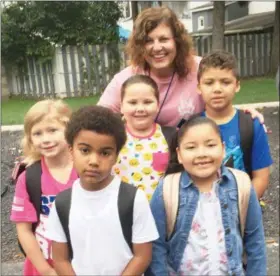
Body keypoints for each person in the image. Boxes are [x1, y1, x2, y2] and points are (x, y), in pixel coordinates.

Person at [98, 6, 264, 127]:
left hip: (193, 158)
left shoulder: (201, 68)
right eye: (148, 41)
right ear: (140, 46)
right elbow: (98, 119)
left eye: (163, 39)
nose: (157, 48)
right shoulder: (127, 78)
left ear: (177, 41)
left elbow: (220, 99)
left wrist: (244, 116)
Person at [45, 106, 159, 275]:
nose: (93, 161)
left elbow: (142, 256)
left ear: (116, 156)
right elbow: (60, 259)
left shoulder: (133, 199)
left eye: (105, 153)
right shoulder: (62, 203)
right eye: (85, 150)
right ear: (71, 151)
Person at [147, 115, 266, 276]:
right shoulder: (167, 188)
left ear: (223, 149)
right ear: (179, 154)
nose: (201, 153)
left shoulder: (241, 183)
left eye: (210, 145)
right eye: (191, 147)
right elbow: (156, 246)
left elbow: (255, 241)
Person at [10, 100, 78, 276]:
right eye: (37, 133)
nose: (46, 139)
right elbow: (24, 231)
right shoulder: (29, 178)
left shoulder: (86, 171)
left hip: (84, 263)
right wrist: (46, 270)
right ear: (30, 139)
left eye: (53, 130)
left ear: (69, 131)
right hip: (46, 265)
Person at [196, 50, 273, 199]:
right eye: (209, 83)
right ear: (199, 87)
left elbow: (261, 178)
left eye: (225, 82)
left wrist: (241, 209)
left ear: (237, 85)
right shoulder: (191, 128)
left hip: (242, 210)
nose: (217, 89)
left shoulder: (251, 126)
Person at [113, 75, 176, 201]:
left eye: (147, 102)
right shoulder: (112, 137)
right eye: (132, 102)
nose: (140, 109)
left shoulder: (172, 136)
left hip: (160, 214)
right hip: (123, 213)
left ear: (157, 105)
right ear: (121, 106)